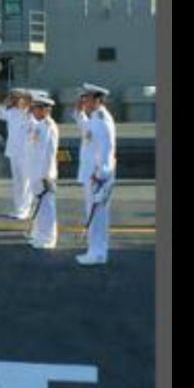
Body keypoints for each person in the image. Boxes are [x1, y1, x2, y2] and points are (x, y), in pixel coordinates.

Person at [75, 83, 117, 266]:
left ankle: (98, 253)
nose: (84, 101)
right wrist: (78, 113)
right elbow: (87, 131)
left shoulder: (101, 119)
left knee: (97, 215)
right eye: (84, 98)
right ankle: (95, 250)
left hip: (97, 176)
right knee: (93, 214)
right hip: (93, 175)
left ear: (97, 99)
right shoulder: (94, 118)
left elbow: (105, 149)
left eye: (88, 98)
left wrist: (100, 175)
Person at [26, 91, 59, 250]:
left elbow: (50, 153)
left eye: (37, 108)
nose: (33, 111)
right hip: (35, 172)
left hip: (44, 174)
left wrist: (47, 176)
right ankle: (38, 234)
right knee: (38, 206)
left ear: (46, 110)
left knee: (47, 207)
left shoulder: (48, 127)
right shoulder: (37, 124)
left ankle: (48, 238)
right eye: (33, 108)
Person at [0, 88, 34, 219]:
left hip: (26, 152)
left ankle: (26, 209)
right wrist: (6, 101)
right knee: (17, 182)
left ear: (25, 100)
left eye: (18, 98)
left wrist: (29, 104)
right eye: (14, 98)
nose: (16, 101)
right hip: (14, 151)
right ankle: (18, 208)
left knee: (26, 182)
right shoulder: (11, 112)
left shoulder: (30, 114)